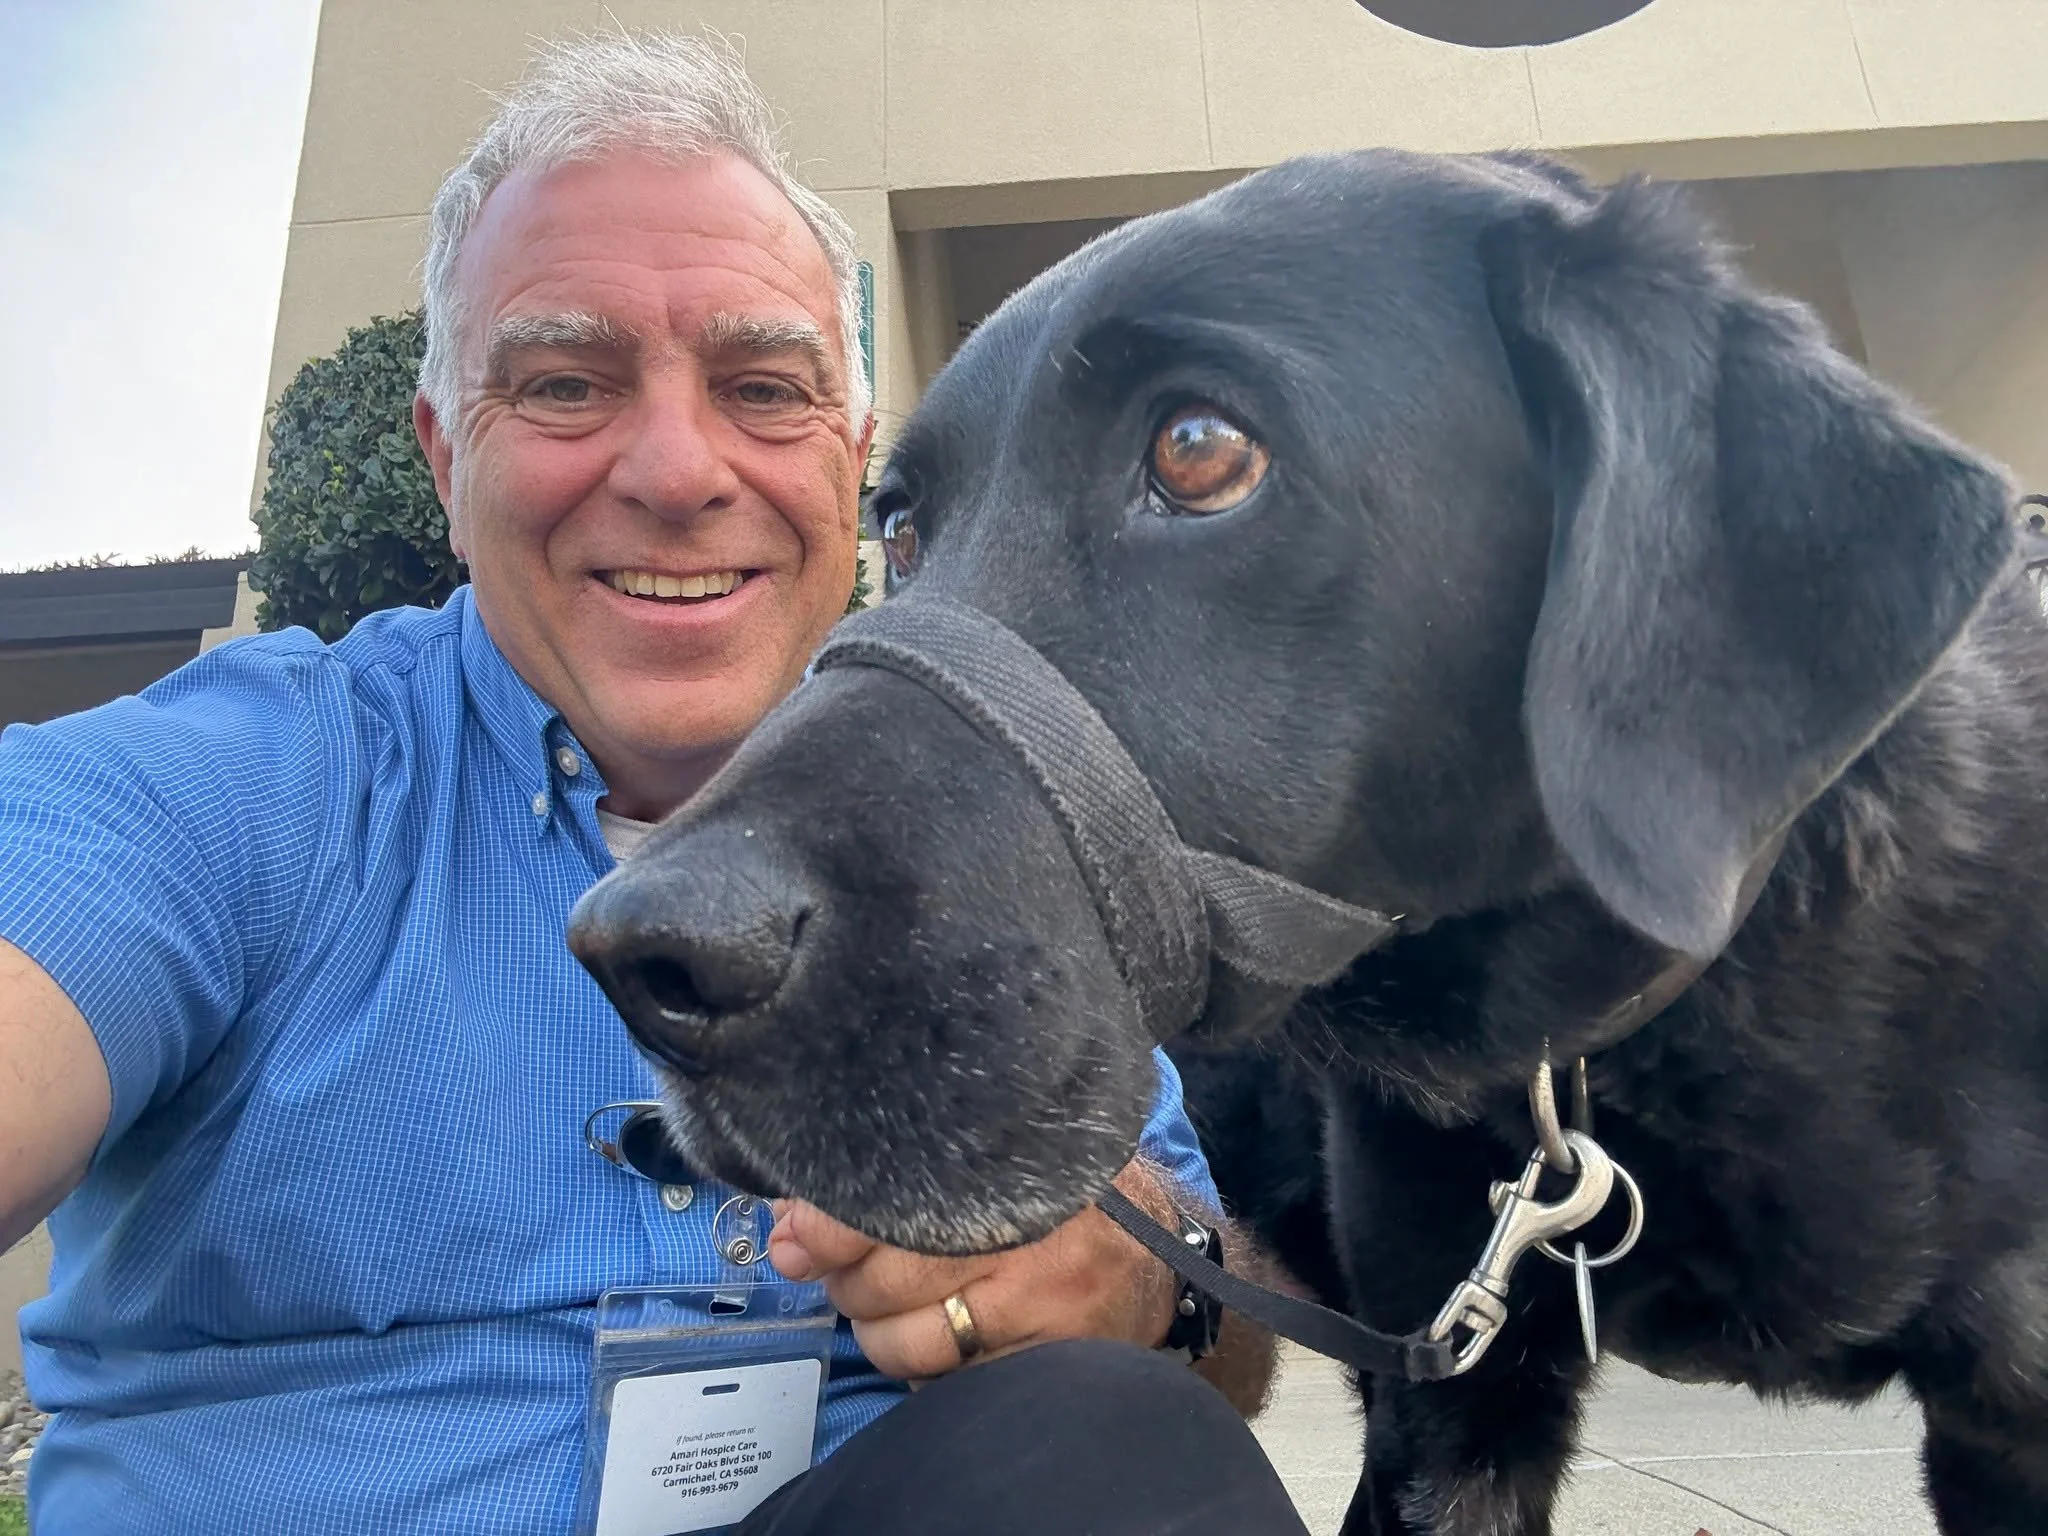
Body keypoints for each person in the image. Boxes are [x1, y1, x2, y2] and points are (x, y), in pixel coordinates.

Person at [0, 30, 1306, 1535]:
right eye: (566, 384)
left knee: (1116, 1434)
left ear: (854, 459)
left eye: (763, 387)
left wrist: (1148, 1278)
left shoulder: (1008, 812)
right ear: (444, 459)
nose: (682, 471)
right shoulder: (250, 786)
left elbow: (1230, 1360)